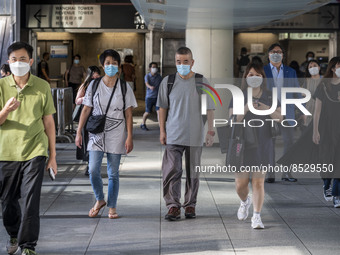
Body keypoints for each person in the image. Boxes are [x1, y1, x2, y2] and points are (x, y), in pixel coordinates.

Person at [0, 42, 57, 255]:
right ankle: (14, 233)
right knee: (8, 203)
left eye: (23, 59)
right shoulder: (1, 86)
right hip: (6, 152)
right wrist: (6, 109)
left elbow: (49, 123)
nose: (18, 63)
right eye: (14, 59)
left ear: (31, 61)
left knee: (31, 201)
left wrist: (52, 156)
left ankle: (28, 246)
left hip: (35, 150)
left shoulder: (42, 86)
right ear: (8, 61)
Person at [75, 49, 137, 219]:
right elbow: (86, 108)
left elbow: (129, 114)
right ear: (102, 65)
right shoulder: (94, 85)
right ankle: (100, 199)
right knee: (93, 169)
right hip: (96, 133)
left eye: (114, 63)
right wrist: (78, 132)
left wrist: (130, 136)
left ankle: (112, 206)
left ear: (119, 66)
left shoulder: (124, 87)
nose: (111, 66)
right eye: (108, 63)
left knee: (113, 173)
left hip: (117, 133)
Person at [157, 46, 215, 221]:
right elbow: (162, 108)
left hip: (195, 135)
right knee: (171, 171)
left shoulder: (201, 81)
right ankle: (173, 206)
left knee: (192, 173)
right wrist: (162, 131)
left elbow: (210, 108)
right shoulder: (168, 81)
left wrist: (210, 131)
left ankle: (190, 205)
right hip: (173, 134)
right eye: (178, 62)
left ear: (192, 62)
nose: (181, 64)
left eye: (185, 61)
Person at [229, 61, 283, 229]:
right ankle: (245, 201)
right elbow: (233, 120)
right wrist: (247, 107)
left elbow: (280, 117)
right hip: (243, 144)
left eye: (258, 75)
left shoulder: (270, 95)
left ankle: (257, 217)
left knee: (258, 182)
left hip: (263, 142)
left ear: (263, 78)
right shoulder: (238, 95)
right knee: (241, 185)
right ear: (246, 76)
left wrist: (265, 107)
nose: (254, 78)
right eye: (251, 75)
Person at [264, 43, 305, 183]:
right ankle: (270, 173)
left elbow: (297, 92)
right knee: (269, 143)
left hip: (287, 113)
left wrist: (302, 109)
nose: (276, 53)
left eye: (279, 51)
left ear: (283, 54)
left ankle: (287, 173)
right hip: (269, 112)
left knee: (289, 142)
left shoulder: (290, 71)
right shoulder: (263, 71)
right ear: (268, 54)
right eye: (273, 51)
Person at [313, 56, 340, 207]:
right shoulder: (324, 86)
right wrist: (315, 131)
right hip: (326, 128)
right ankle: (326, 184)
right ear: (332, 68)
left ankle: (337, 194)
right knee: (327, 159)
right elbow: (317, 111)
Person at [75, 66, 101, 176]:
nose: (95, 76)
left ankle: (93, 165)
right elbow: (77, 100)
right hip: (86, 116)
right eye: (94, 74)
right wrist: (87, 98)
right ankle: (89, 165)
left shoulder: (102, 85)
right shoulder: (85, 85)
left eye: (97, 74)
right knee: (87, 139)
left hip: (98, 117)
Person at [140, 62, 162, 131]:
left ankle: (161, 127)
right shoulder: (147, 76)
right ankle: (143, 124)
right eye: (153, 67)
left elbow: (162, 85)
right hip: (149, 97)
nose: (154, 68)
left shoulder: (159, 77)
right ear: (150, 68)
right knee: (148, 112)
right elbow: (147, 83)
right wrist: (150, 87)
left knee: (159, 111)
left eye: (155, 67)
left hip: (157, 97)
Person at [302, 60, 322, 126]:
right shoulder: (306, 81)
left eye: (315, 66)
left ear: (319, 67)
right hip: (309, 110)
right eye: (310, 67)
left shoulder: (325, 80)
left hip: (323, 111)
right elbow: (302, 98)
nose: (312, 68)